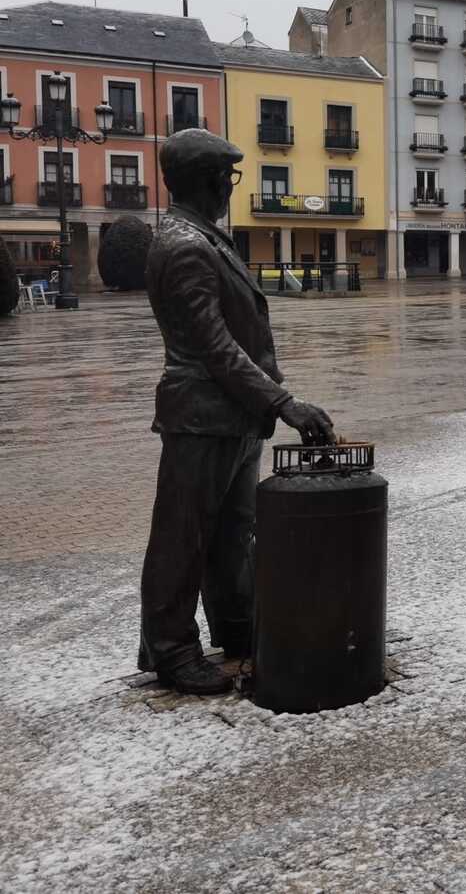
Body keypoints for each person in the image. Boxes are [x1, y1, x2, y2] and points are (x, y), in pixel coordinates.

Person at [139, 129, 335, 695]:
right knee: (183, 537)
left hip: (234, 417)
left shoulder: (205, 237)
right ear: (205, 180)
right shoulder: (184, 247)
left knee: (231, 531)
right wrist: (284, 402)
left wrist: (270, 402)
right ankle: (172, 650)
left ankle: (235, 626)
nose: (231, 187)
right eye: (227, 177)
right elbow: (215, 347)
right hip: (201, 416)